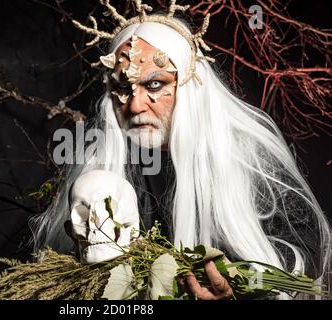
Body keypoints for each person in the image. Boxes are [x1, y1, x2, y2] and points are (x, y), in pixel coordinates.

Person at [30, 2, 331, 299]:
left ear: (189, 86)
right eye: (122, 88)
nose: (135, 106)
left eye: (155, 84)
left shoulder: (248, 158)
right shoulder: (102, 164)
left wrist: (243, 291)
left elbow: (303, 254)